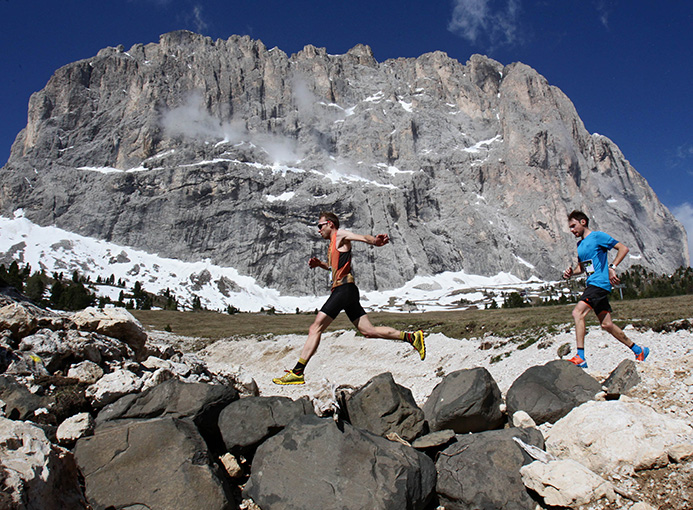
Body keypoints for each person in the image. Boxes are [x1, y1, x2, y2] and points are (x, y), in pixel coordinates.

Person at [273, 211, 425, 385]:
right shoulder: (332, 245)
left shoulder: (340, 235)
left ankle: (297, 372)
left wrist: (375, 241)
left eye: (320, 226)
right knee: (369, 331)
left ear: (330, 224)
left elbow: (360, 237)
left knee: (315, 328)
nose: (318, 230)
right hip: (348, 290)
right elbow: (333, 267)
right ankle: (412, 338)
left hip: (343, 289)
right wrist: (319, 264)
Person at [562, 210, 649, 368]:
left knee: (577, 313)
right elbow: (582, 267)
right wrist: (571, 273)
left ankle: (580, 356)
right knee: (607, 325)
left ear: (583, 222)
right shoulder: (580, 245)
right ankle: (639, 350)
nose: (572, 230)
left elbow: (623, 248)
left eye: (573, 226)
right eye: (570, 227)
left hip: (599, 284)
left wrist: (612, 267)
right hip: (592, 283)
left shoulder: (597, 236)